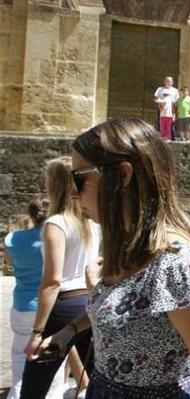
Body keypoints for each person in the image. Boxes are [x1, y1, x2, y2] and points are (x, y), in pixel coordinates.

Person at [34, 118, 190, 398]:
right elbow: (125, 310)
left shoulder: (176, 263)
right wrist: (69, 330)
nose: (73, 193)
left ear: (123, 174)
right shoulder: (126, 245)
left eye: (79, 179)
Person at [20, 157, 102, 399]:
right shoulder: (91, 223)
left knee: (34, 387)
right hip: (87, 305)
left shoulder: (55, 223)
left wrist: (37, 331)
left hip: (63, 305)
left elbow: (53, 280)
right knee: (97, 379)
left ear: (53, 184)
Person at [5, 197, 68, 399]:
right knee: (50, 365)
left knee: (19, 358)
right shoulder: (55, 237)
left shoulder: (12, 238)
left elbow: (8, 261)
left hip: (21, 305)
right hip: (49, 306)